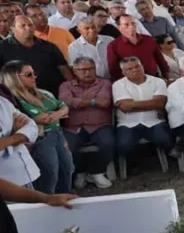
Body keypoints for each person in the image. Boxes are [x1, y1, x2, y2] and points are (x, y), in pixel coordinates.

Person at [2, 62, 73, 194]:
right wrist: (58, 114)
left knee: (67, 168)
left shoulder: (42, 93)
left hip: (57, 134)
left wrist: (56, 114)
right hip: (41, 138)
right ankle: (46, 202)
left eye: (34, 73)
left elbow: (63, 106)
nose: (34, 77)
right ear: (14, 78)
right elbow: (43, 119)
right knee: (50, 174)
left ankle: (66, 197)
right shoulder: (13, 100)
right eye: (28, 74)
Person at [59, 57, 115, 189]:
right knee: (68, 147)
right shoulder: (65, 86)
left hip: (100, 125)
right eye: (83, 70)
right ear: (74, 71)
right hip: (72, 127)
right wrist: (94, 101)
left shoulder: (104, 83)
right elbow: (64, 102)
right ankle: (80, 172)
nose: (88, 72)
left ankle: (97, 172)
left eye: (91, 69)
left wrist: (76, 102)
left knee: (108, 143)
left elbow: (105, 101)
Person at [112, 56, 173, 173]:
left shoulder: (158, 81)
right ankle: (134, 164)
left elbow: (159, 103)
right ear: (123, 72)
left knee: (165, 140)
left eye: (137, 66)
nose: (135, 70)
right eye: (130, 69)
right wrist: (151, 104)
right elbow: (125, 107)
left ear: (142, 66)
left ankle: (163, 161)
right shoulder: (118, 85)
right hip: (128, 124)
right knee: (124, 146)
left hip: (154, 121)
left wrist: (133, 104)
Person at [0, 15, 71, 95]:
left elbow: (63, 68)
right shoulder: (2, 48)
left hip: (53, 93)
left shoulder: (49, 46)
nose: (28, 28)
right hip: (20, 96)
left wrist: (71, 87)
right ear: (12, 29)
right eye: (23, 26)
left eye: (30, 25)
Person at [107, 15, 170, 81]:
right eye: (126, 24)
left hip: (153, 78)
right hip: (130, 82)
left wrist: (166, 76)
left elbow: (160, 59)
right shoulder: (113, 46)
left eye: (133, 23)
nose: (131, 26)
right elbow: (114, 70)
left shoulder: (149, 40)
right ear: (119, 27)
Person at [0, 93, 40, 188]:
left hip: (26, 175)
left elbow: (32, 125)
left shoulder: (3, 102)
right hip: (6, 183)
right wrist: (15, 136)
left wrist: (11, 138)